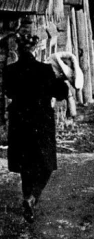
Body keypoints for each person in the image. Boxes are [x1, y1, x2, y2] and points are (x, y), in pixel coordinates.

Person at [4, 34, 69, 223]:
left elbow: (8, 91)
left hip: (20, 121)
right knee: (46, 164)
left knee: (26, 165)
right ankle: (33, 197)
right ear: (36, 48)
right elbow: (61, 93)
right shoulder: (46, 70)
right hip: (41, 121)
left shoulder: (9, 70)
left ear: (18, 49)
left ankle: (27, 197)